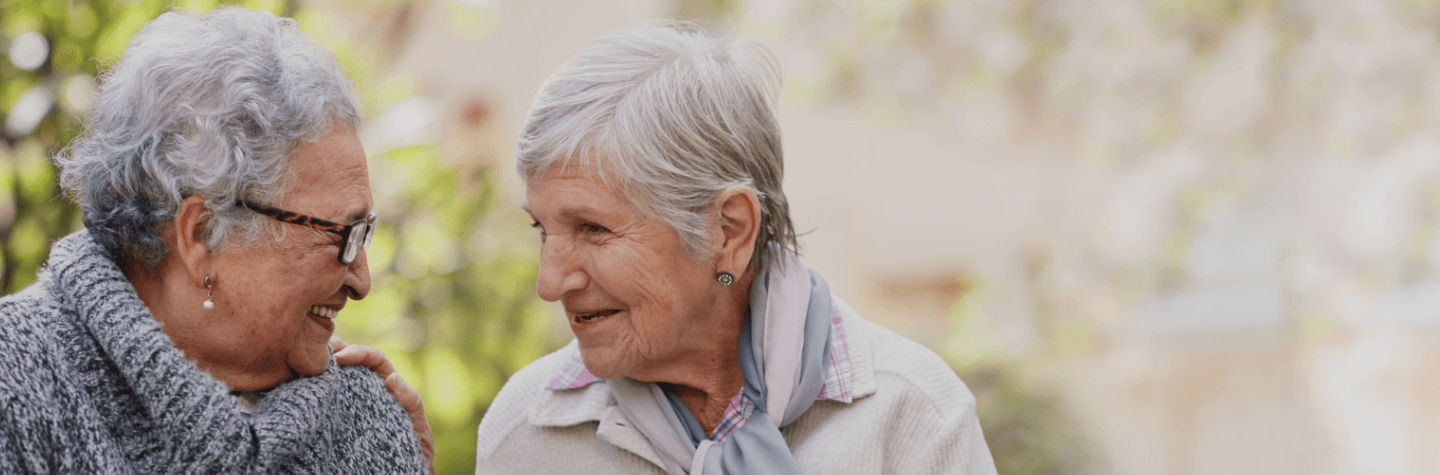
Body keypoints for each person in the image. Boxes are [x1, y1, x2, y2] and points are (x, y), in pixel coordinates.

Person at [475, 22, 998, 474]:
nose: (550, 283)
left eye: (592, 229)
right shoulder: (525, 432)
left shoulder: (913, 416)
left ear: (728, 231)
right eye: (542, 229)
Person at [0, 7, 432, 473]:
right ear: (201, 235)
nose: (362, 281)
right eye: (342, 235)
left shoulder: (368, 419)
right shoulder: (16, 381)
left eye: (366, 232)